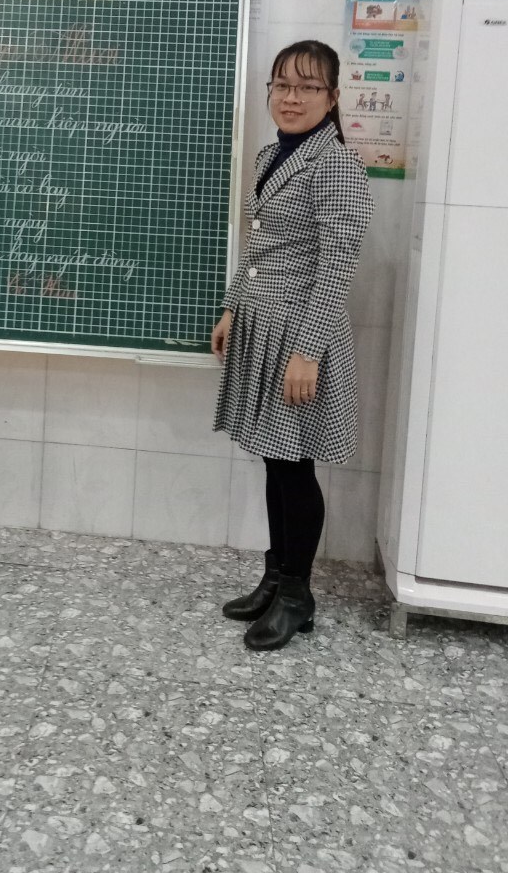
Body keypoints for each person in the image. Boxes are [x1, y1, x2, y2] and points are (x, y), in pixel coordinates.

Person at [211, 40, 374, 651]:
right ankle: (276, 578)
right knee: (274, 459)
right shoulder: (271, 153)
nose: (291, 97)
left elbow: (336, 266)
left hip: (301, 334)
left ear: (333, 98)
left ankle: (298, 596)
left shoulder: (337, 166)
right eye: (282, 85)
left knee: (294, 465)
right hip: (261, 323)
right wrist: (232, 305)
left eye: (308, 87)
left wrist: (307, 351)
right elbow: (258, 243)